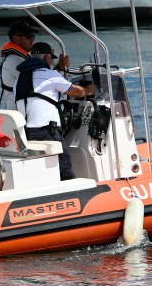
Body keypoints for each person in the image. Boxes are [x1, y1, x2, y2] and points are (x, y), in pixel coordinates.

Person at [15, 41, 95, 181]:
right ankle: (70, 193)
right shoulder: (50, 75)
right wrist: (90, 89)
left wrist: (60, 67)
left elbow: (44, 83)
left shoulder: (20, 78)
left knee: (42, 167)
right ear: (46, 57)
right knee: (64, 165)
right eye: (51, 58)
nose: (52, 61)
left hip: (27, 132)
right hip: (47, 132)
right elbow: (75, 92)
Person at [0, 19, 36, 110]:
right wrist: (57, 68)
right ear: (16, 38)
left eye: (33, 36)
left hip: (17, 108)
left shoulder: (14, 58)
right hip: (20, 111)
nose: (32, 40)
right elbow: (38, 83)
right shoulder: (17, 61)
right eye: (29, 36)